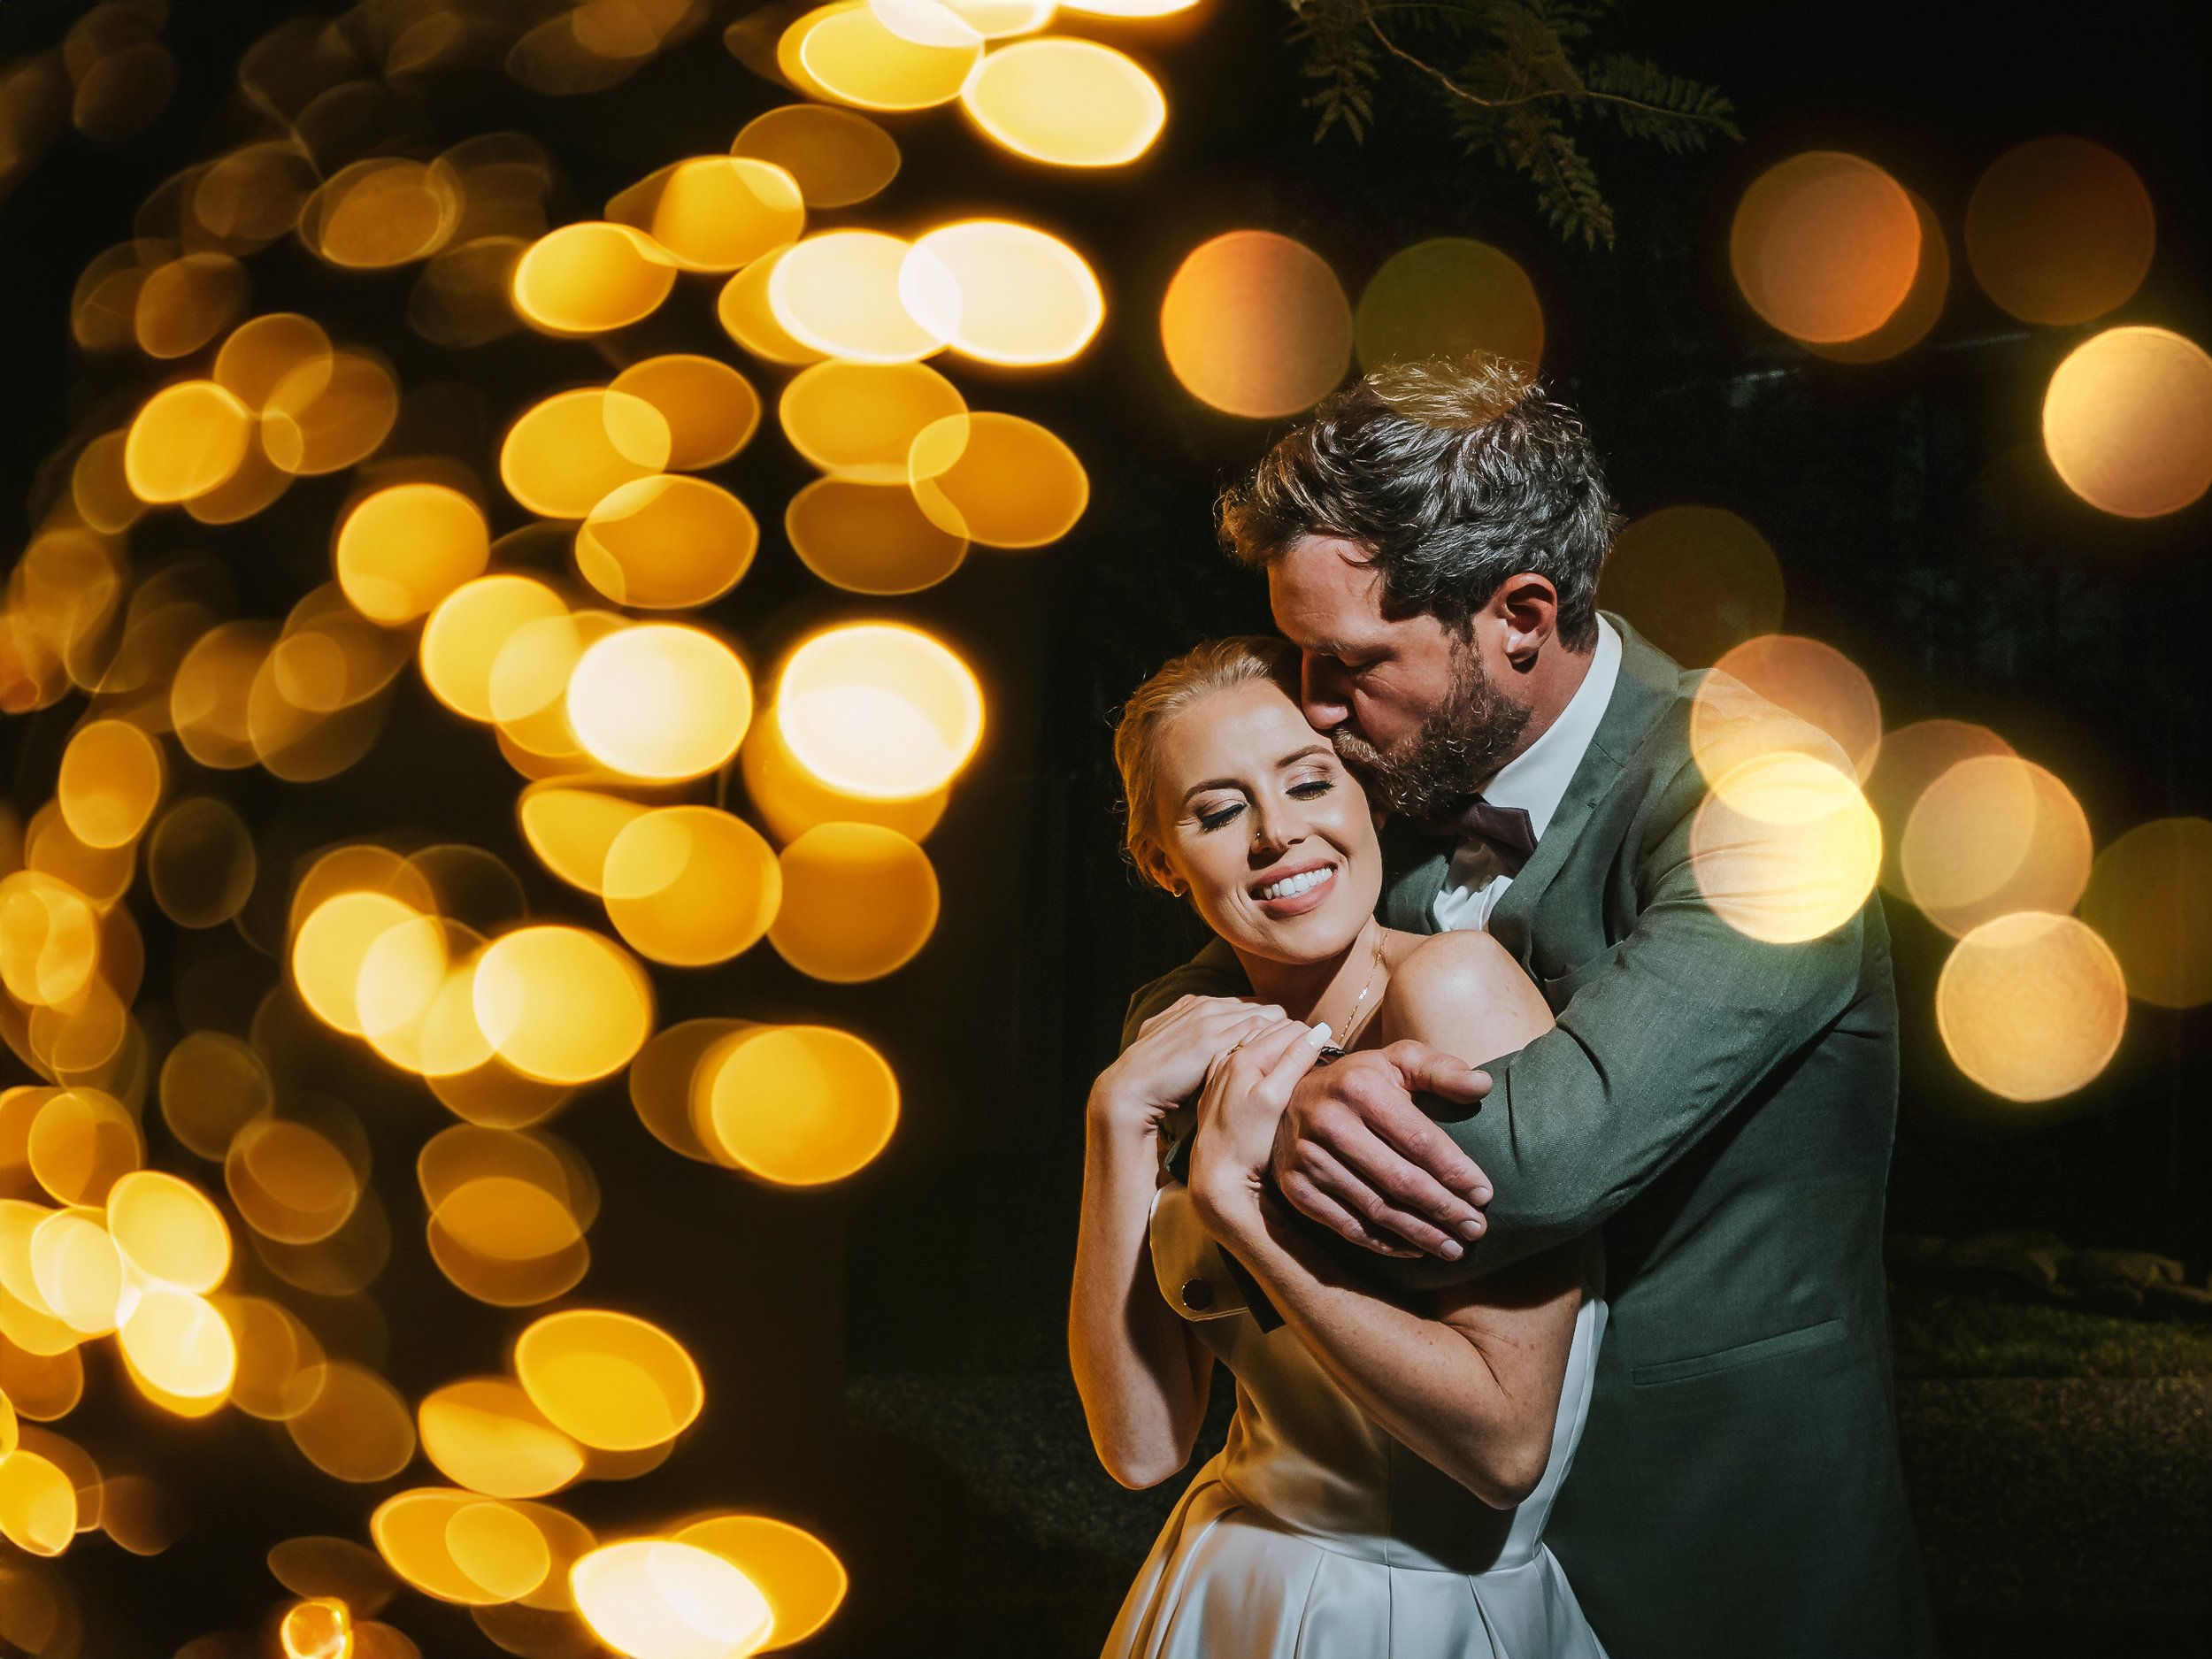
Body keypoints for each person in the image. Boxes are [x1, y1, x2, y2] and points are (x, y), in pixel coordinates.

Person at [1120, 355, 1936, 1658]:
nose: (1315, 709)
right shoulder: (1414, 763)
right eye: (1298, 657)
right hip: (1453, 1568)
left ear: (1519, 614)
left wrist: (1257, 1113)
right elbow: (1208, 983)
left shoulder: (1769, 812)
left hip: (1709, 1548)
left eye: (1347, 662)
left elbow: (1536, 1163)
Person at [1074, 635, 1610, 1658]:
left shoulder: (1451, 992)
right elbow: (1142, 1450)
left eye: (1309, 782)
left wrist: (1242, 1214)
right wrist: (1115, 1121)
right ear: (1162, 861)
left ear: (1365, 798)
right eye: (1220, 811)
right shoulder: (1184, 1042)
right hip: (1223, 1590)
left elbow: (1504, 1450)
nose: (1279, 835)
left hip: (1425, 1610)